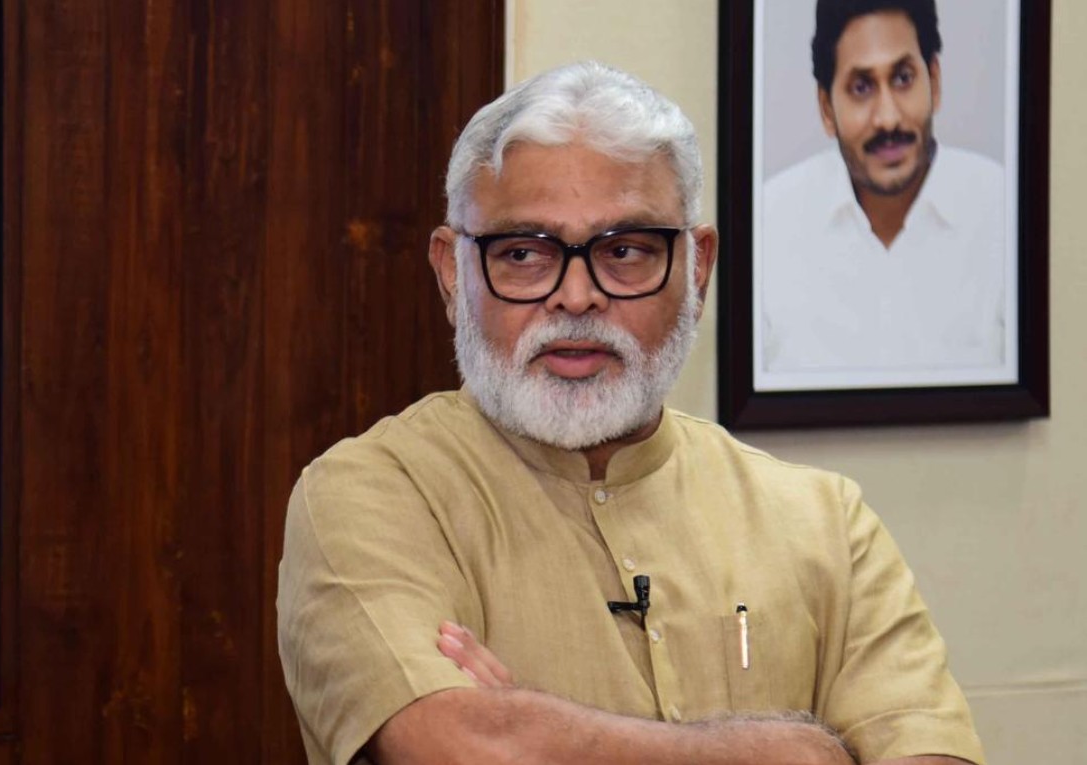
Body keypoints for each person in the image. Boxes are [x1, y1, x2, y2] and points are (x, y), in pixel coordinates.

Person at [277, 60, 985, 765]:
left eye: (624, 251)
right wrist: (783, 750)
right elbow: (455, 745)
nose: (576, 296)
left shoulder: (824, 522)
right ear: (451, 274)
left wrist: (540, 729)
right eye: (523, 253)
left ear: (696, 270)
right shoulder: (369, 496)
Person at [761, 0, 1008, 383]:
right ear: (827, 108)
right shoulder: (769, 226)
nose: (888, 118)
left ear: (935, 82)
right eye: (861, 87)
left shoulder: (1004, 211)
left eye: (903, 78)